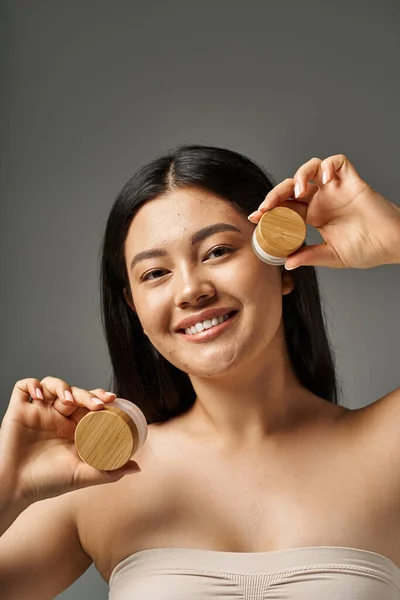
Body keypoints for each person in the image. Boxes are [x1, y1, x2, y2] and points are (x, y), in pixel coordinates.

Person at [1, 145, 400, 600]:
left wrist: (397, 237)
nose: (191, 290)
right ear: (133, 308)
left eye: (217, 251)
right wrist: (7, 488)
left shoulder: (390, 444)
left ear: (285, 267)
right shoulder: (94, 481)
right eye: (155, 273)